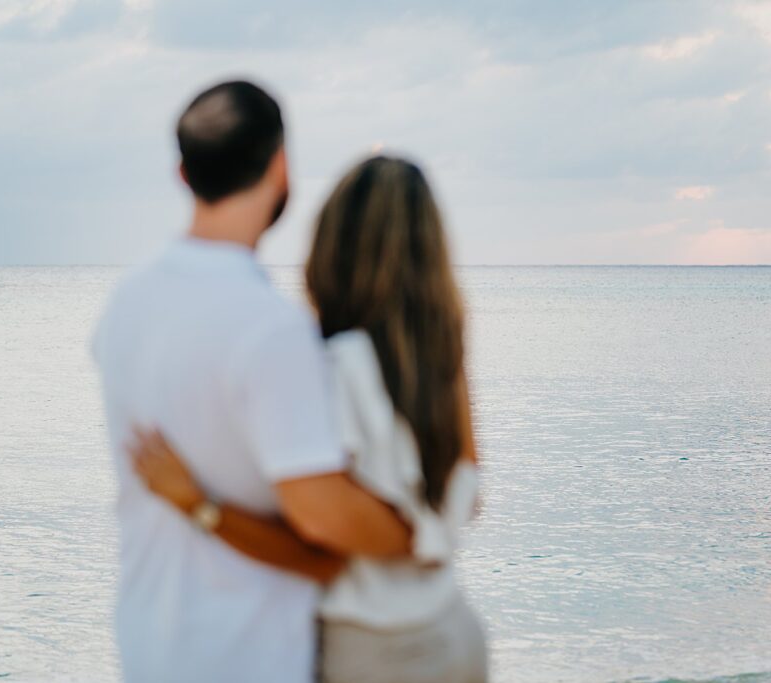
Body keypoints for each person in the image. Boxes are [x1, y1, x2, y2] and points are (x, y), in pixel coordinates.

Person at [91, 80, 412, 683]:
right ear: (280, 166)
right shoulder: (271, 330)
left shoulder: (125, 304)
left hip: (148, 642)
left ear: (183, 174)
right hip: (245, 655)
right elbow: (323, 537)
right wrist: (420, 534)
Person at [128, 155, 488, 683]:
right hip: (454, 633)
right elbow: (467, 493)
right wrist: (421, 527)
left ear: (332, 246)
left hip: (370, 650)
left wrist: (200, 504)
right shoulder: (443, 363)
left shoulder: (329, 366)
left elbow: (320, 533)